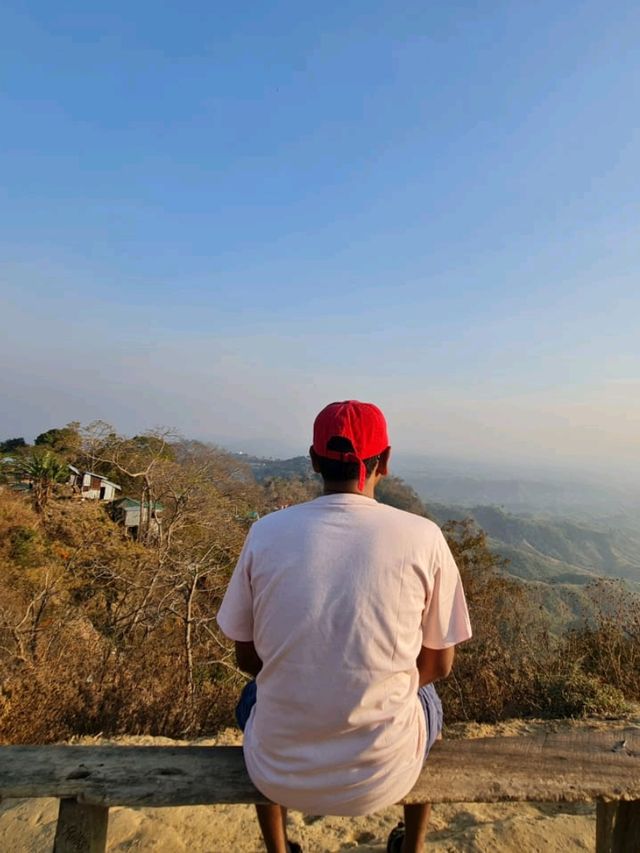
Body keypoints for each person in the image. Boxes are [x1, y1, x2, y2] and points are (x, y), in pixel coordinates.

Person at [217, 400, 472, 852]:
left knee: (257, 694)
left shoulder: (265, 533)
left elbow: (246, 656)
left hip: (275, 772)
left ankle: (279, 849)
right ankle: (410, 847)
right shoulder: (424, 536)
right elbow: (439, 663)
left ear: (313, 460)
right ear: (386, 461)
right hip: (384, 777)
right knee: (426, 692)